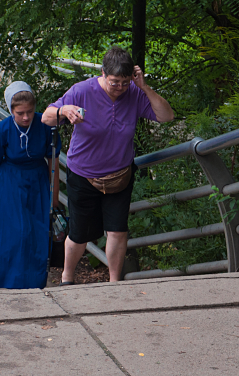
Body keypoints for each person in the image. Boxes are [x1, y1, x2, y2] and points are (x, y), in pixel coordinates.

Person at [42, 47, 175, 283]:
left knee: (117, 230)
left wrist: (143, 86)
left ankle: (114, 283)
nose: (120, 88)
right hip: (82, 174)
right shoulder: (83, 90)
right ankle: (67, 278)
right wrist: (63, 109)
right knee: (80, 233)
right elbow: (46, 117)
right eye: (115, 82)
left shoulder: (133, 93)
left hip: (120, 174)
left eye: (125, 82)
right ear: (103, 73)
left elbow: (166, 116)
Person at [0, 82, 56, 289]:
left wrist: (54, 193)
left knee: (36, 231)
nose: (25, 117)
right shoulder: (1, 130)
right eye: (20, 113)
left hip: (37, 180)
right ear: (11, 110)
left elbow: (53, 161)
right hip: (10, 182)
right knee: (16, 232)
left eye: (30, 112)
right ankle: (10, 281)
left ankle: (35, 281)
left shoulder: (45, 125)